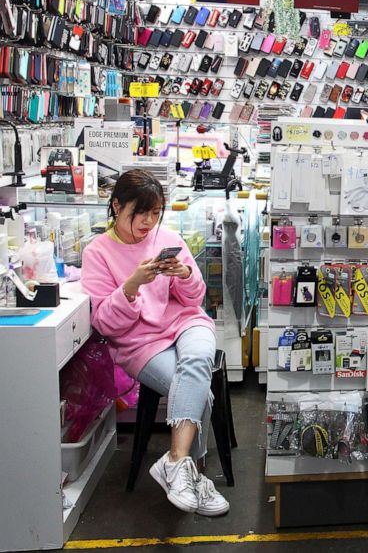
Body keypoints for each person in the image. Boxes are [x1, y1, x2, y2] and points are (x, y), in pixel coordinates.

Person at [81, 169, 229, 516]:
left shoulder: (166, 238)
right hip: (138, 343)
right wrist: (131, 286)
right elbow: (105, 323)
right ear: (117, 206)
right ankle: (195, 478)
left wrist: (186, 275)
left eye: (156, 213)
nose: (149, 221)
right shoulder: (98, 252)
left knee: (195, 363)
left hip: (187, 323)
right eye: (140, 212)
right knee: (198, 391)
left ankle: (176, 463)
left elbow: (193, 300)